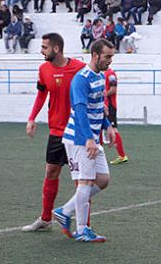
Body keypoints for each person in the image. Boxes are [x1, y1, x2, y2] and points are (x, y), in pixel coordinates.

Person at [53, 39, 116, 242]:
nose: (110, 60)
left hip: (91, 137)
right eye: (107, 56)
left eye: (111, 56)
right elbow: (79, 110)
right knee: (86, 181)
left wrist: (108, 126)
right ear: (95, 55)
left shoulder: (100, 75)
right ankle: (82, 230)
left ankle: (65, 211)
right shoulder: (81, 79)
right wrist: (89, 138)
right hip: (80, 138)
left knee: (103, 180)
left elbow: (97, 106)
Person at [22, 33, 86, 232]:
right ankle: (46, 219)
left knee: (80, 180)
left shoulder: (80, 68)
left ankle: (84, 226)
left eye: (45, 47)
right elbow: (42, 94)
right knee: (51, 172)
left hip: (77, 131)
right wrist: (32, 118)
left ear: (56, 48)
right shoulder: (43, 69)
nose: (41, 51)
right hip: (56, 131)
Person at [104, 67, 127, 164]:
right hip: (104, 105)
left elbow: (113, 89)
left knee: (113, 129)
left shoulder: (111, 74)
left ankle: (122, 156)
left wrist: (101, 95)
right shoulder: (101, 73)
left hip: (110, 106)